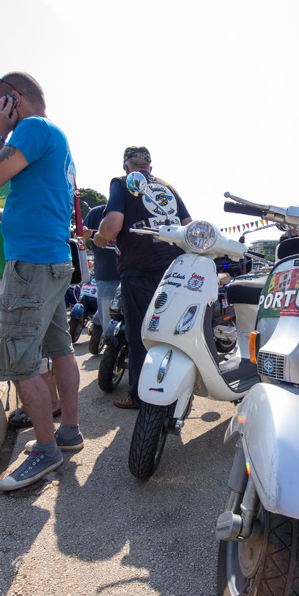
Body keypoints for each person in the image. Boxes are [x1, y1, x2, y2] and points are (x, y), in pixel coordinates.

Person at [0, 72, 82, 492]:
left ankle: (44, 448)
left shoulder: (32, 128)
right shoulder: (56, 136)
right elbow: (42, 201)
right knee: (60, 349)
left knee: (18, 361)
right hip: (53, 258)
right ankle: (68, 430)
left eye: (1, 105)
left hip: (31, 265)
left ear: (11, 101)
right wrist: (3, 216)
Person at [0, 133, 62, 429]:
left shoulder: (18, 176)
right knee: (27, 345)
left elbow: (31, 214)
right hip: (1, 271)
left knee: (25, 348)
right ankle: (40, 411)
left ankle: (47, 415)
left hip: (22, 268)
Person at [93, 146, 191, 409]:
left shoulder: (122, 182)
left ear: (126, 166)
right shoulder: (168, 187)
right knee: (170, 330)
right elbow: (188, 224)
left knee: (140, 334)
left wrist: (99, 238)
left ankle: (138, 396)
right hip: (173, 268)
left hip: (138, 269)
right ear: (150, 166)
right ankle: (176, 392)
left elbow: (112, 225)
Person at [81, 203, 120, 333]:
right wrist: (84, 235)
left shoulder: (135, 209)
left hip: (134, 275)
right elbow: (81, 238)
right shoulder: (95, 213)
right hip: (106, 276)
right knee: (108, 324)